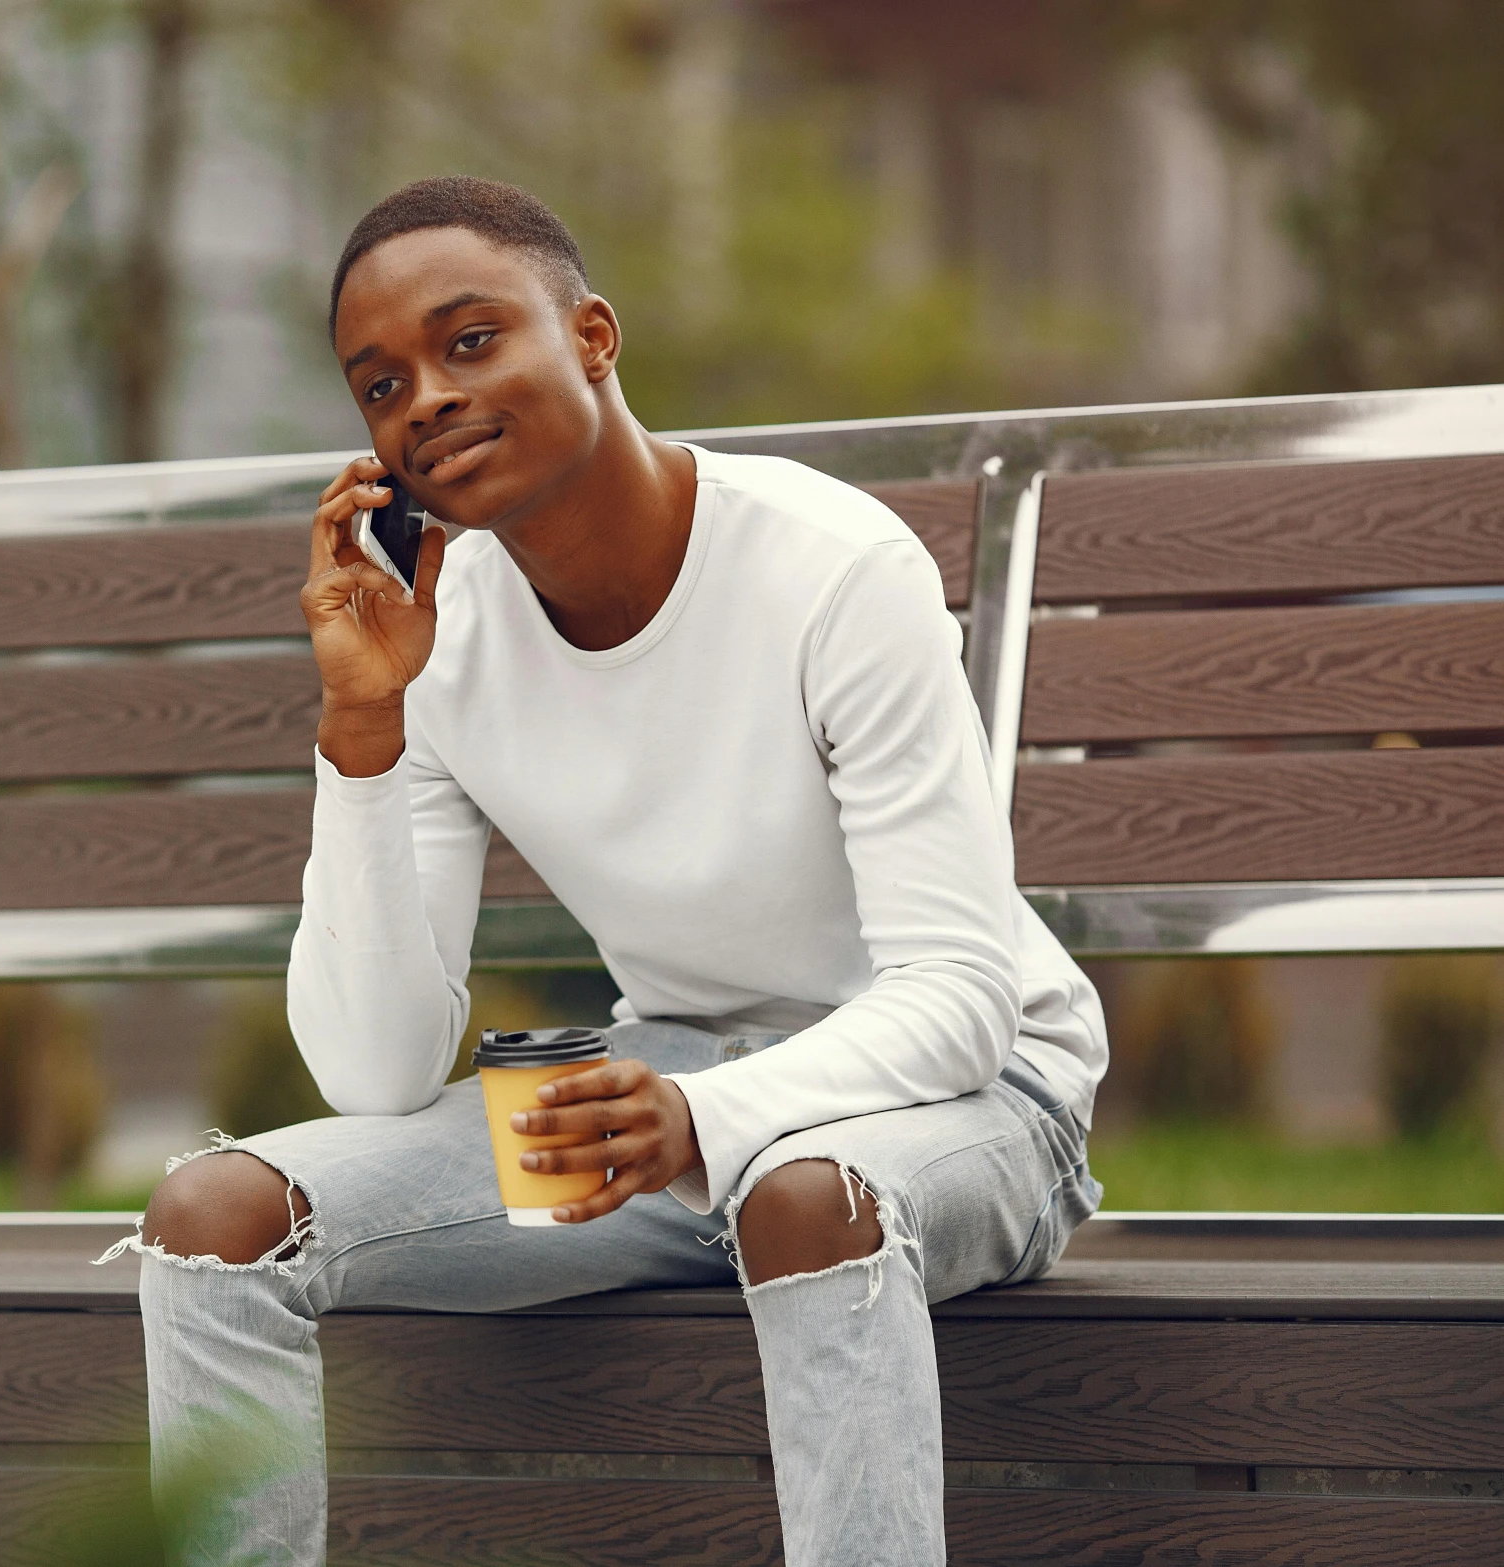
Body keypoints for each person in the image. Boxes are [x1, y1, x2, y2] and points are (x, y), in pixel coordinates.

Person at [98, 174, 1106, 1567]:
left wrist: (699, 1116)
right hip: (663, 1086)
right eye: (380, 383)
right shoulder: (433, 636)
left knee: (803, 1193)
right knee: (213, 1213)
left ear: (590, 335)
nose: (427, 400)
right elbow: (375, 1070)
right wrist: (363, 728)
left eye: (468, 342)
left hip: (973, 1098)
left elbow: (959, 996)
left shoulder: (827, 564)